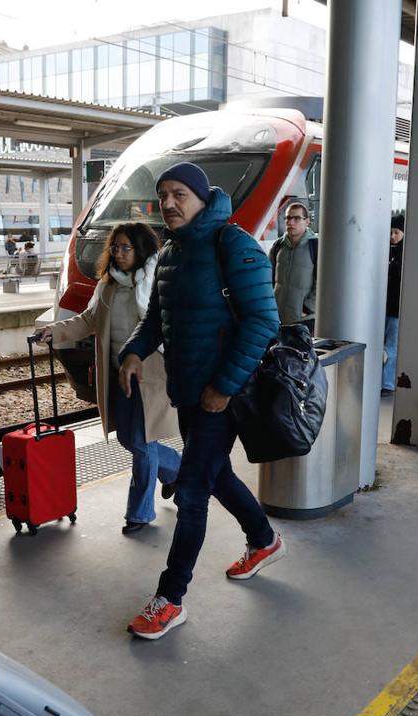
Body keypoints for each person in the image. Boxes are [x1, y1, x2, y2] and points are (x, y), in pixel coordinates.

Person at [118, 162, 281, 640]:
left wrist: (224, 386)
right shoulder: (171, 253)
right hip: (189, 393)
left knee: (191, 492)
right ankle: (265, 539)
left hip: (223, 397)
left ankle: (170, 598)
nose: (168, 204)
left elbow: (261, 321)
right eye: (163, 195)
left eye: (179, 195)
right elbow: (155, 320)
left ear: (203, 199)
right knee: (217, 476)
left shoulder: (232, 244)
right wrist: (133, 352)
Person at [37, 222, 180, 534]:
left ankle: (139, 513)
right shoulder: (108, 286)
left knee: (142, 444)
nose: (117, 253)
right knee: (129, 439)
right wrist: (55, 331)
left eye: (125, 247)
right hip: (117, 374)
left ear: (141, 249)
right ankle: (177, 470)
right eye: (114, 247)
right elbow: (89, 320)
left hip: (149, 374)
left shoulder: (157, 282)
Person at [270, 201, 319, 333]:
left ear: (307, 221)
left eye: (296, 218)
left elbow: (322, 283)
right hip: (278, 317)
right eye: (287, 218)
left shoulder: (315, 246)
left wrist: (307, 309)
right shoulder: (278, 246)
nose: (291, 222)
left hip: (304, 320)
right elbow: (269, 278)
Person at [382, 215, 405, 396]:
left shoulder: (406, 255)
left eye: (396, 232)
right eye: (390, 232)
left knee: (391, 347)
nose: (392, 236)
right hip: (383, 308)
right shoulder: (386, 250)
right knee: (385, 346)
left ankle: (388, 383)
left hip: (396, 309)